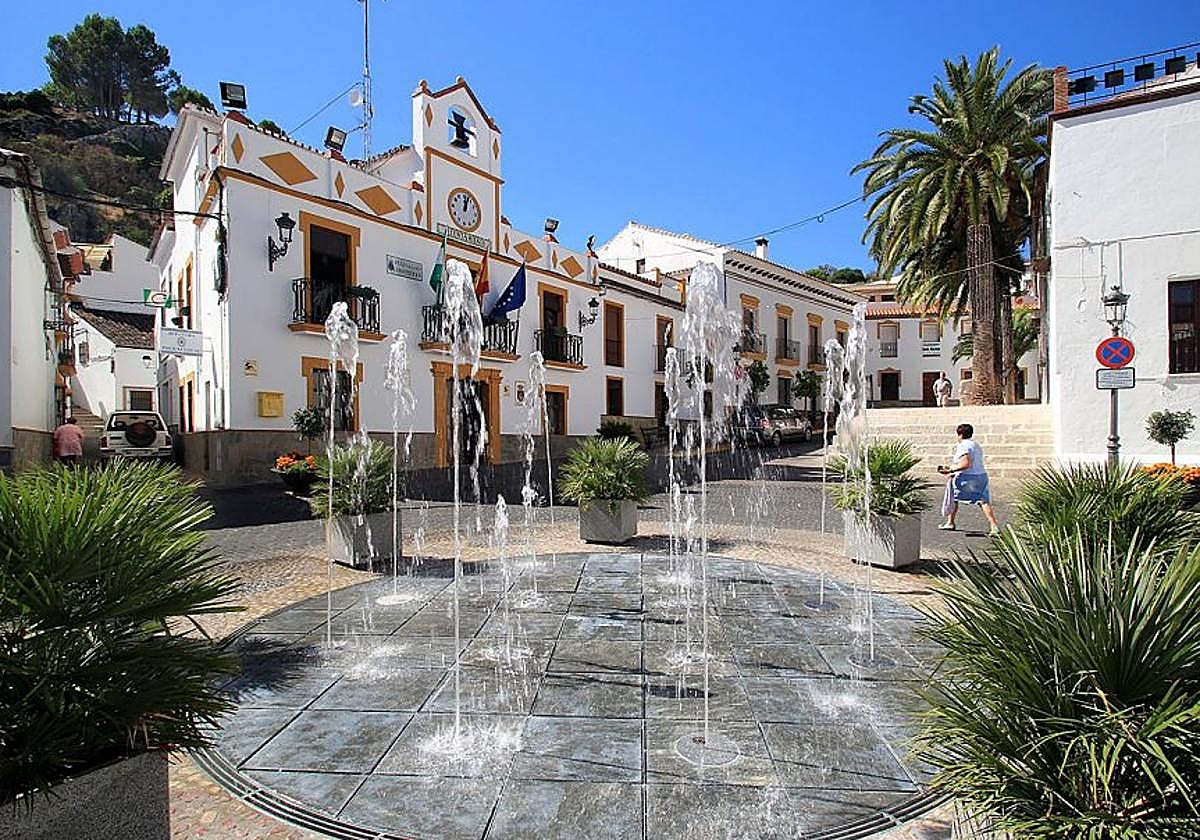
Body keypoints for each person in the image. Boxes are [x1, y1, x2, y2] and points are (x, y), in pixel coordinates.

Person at [937, 422, 999, 536]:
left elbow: (966, 464)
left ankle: (950, 522)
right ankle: (993, 525)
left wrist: (950, 470)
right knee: (983, 501)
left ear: (960, 434)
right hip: (981, 475)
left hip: (967, 477)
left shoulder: (963, 446)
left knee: (954, 497)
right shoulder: (976, 445)